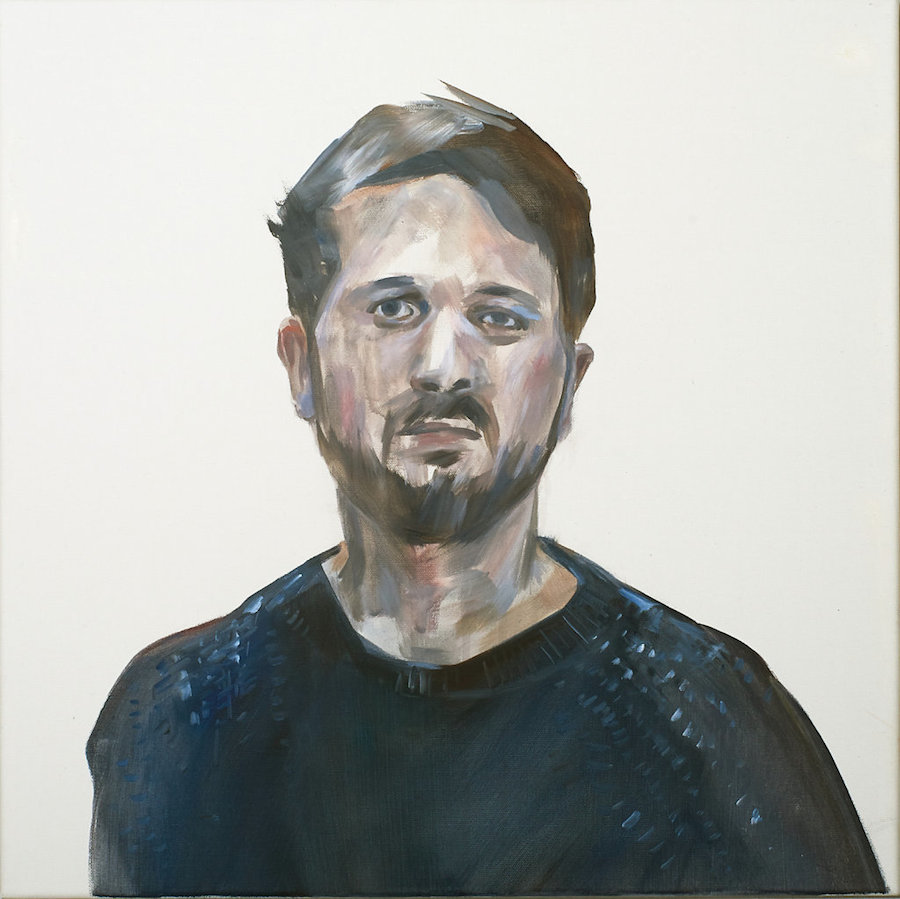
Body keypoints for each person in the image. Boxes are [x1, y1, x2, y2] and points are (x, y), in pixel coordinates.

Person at [87, 87, 885, 897]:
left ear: (570, 383)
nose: (444, 366)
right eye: (394, 309)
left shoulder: (718, 724)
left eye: (500, 319)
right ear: (301, 366)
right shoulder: (179, 715)